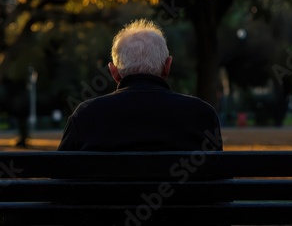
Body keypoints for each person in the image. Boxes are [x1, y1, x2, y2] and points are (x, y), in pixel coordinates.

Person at [58, 19, 223, 151]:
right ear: (167, 66)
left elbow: (60, 181)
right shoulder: (202, 115)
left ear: (113, 71)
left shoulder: (85, 116)